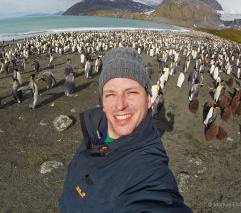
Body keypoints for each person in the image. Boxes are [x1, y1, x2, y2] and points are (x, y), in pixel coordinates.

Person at [59, 47, 191, 212]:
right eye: (111, 94)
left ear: (149, 99)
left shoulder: (149, 173)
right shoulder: (94, 133)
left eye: (132, 92)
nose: (120, 105)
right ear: (103, 103)